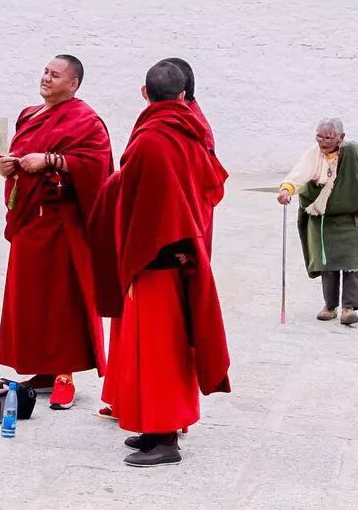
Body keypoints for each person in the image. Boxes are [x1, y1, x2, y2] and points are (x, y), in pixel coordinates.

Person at [88, 60, 231, 468]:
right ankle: (152, 428)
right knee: (162, 348)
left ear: (144, 93)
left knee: (160, 351)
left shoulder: (151, 138)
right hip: (182, 254)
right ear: (183, 96)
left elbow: (139, 203)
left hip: (155, 259)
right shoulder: (192, 134)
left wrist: (132, 257)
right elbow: (207, 188)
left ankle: (166, 439)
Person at [0, 55, 113, 410]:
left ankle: (65, 374)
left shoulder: (86, 120)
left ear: (73, 84)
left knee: (62, 300)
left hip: (62, 223)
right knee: (30, 298)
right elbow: (18, 160)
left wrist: (50, 160)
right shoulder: (29, 115)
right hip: (30, 222)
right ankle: (43, 368)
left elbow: (98, 164)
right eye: (45, 71)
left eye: (55, 75)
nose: (45, 78)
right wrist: (8, 169)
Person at [277, 118, 358, 325]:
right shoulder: (314, 153)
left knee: (352, 264)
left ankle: (349, 307)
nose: (323, 142)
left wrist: (351, 200)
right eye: (319, 136)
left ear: (341, 137)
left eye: (328, 137)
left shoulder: (353, 153)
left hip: (351, 216)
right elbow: (299, 173)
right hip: (324, 217)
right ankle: (330, 306)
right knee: (327, 263)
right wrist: (287, 190)